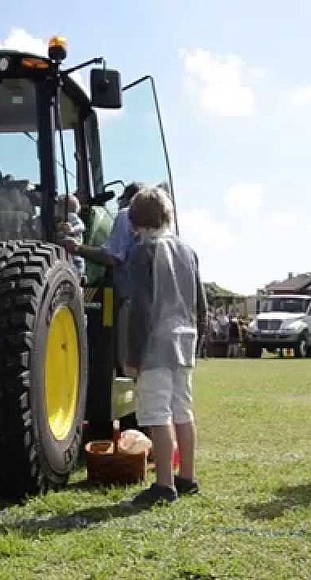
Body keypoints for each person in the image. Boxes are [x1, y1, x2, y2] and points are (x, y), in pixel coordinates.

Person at [122, 185, 207, 508]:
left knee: (157, 412)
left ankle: (164, 484)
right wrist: (197, 341)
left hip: (155, 343)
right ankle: (187, 476)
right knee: (182, 410)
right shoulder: (188, 251)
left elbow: (141, 308)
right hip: (184, 341)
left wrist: (132, 355)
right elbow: (201, 305)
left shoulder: (141, 252)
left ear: (134, 222)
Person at [61, 182, 144, 371]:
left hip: (127, 300)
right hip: (143, 301)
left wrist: (76, 248)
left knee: (123, 361)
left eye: (121, 197)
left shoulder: (126, 215)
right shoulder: (158, 228)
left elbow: (112, 257)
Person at [55, 192, 86, 280]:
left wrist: (72, 230)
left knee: (76, 274)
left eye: (58, 205)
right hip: (65, 255)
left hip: (74, 257)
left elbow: (81, 227)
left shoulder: (71, 216)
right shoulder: (60, 219)